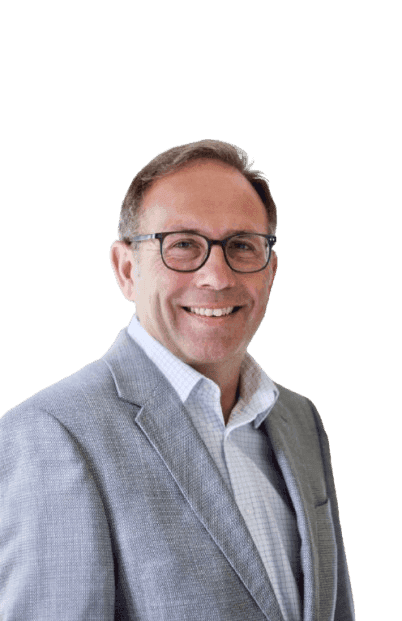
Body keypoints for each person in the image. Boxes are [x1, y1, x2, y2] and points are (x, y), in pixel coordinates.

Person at [0, 139, 355, 621]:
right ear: (127, 269)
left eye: (241, 246)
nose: (216, 276)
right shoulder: (53, 433)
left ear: (271, 270)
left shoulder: (300, 421)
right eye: (183, 245)